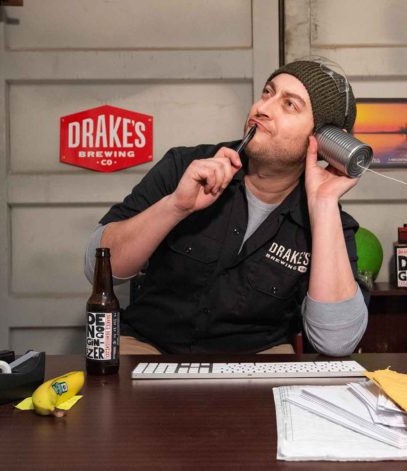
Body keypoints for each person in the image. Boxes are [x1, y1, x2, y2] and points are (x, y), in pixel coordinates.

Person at [84, 59, 369, 355]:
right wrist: (176, 206)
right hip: (150, 345)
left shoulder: (330, 222)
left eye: (289, 105)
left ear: (323, 141)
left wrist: (323, 204)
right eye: (267, 93)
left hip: (256, 360)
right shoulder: (185, 167)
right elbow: (99, 269)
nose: (262, 108)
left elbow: (336, 343)